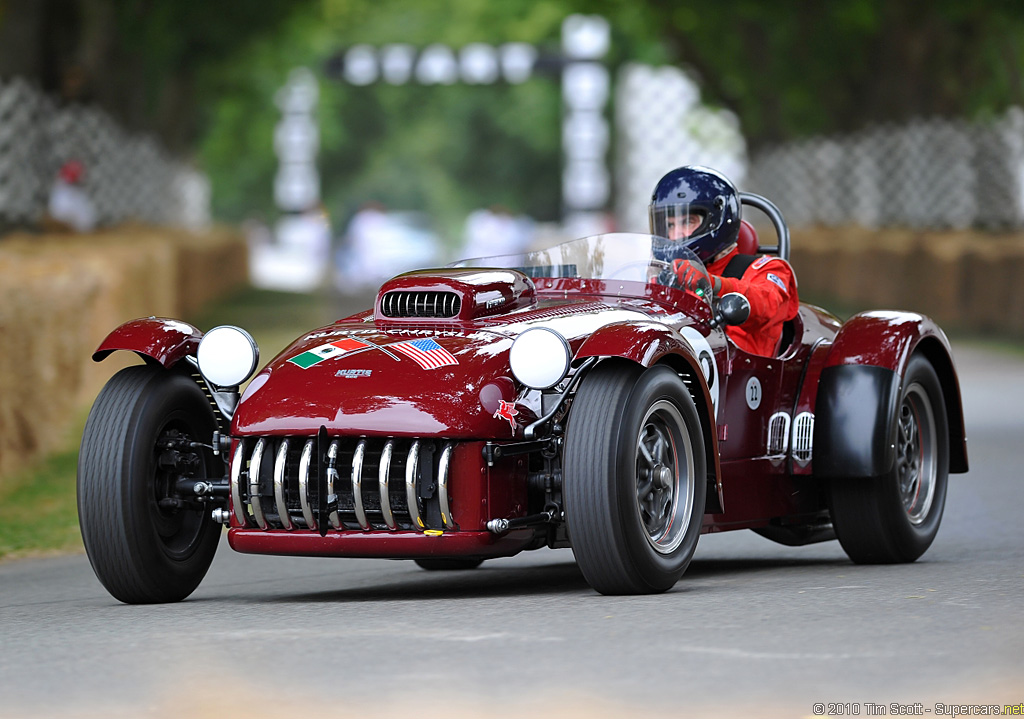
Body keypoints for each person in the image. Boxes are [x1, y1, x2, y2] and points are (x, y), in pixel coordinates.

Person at [649, 165, 799, 356]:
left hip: (737, 376)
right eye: (670, 225)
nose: (676, 233)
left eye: (688, 222)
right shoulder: (661, 277)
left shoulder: (768, 268)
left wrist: (714, 285)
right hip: (672, 369)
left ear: (716, 222)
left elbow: (767, 304)